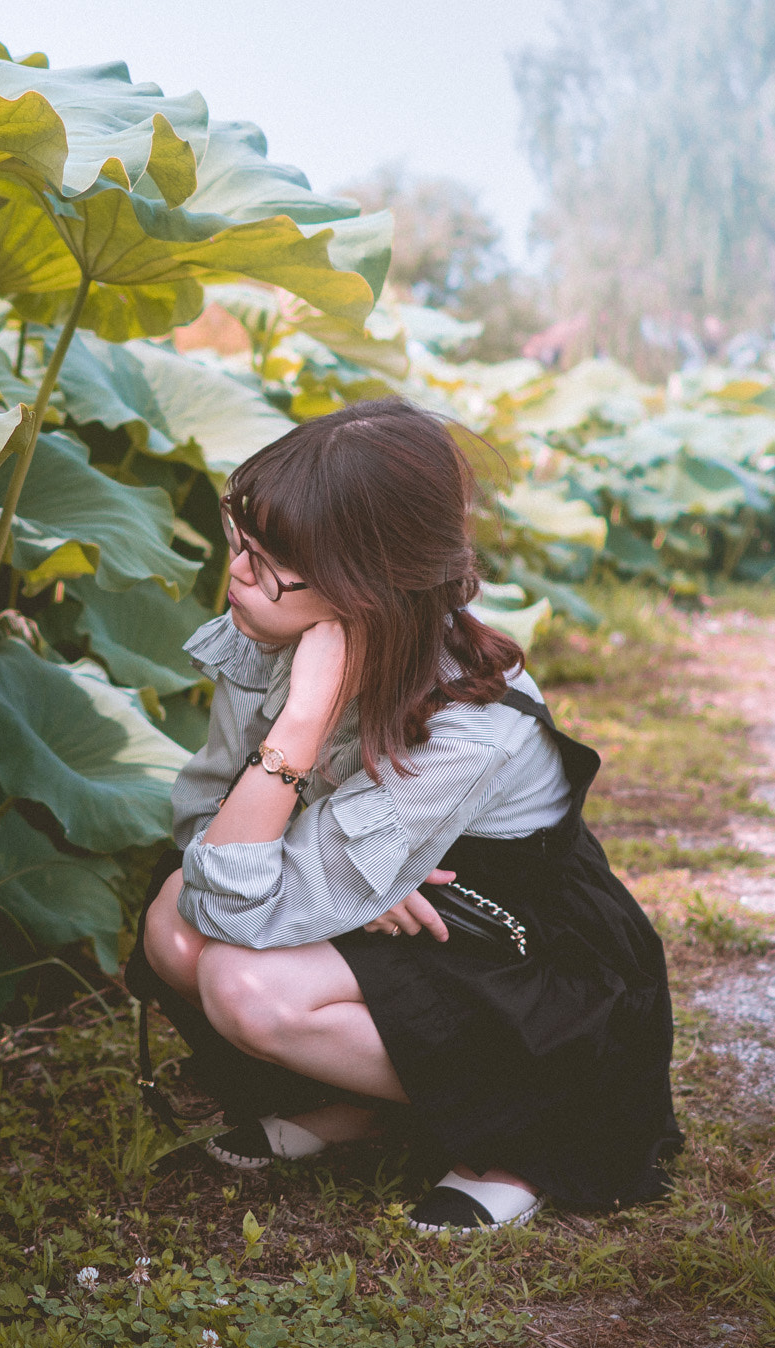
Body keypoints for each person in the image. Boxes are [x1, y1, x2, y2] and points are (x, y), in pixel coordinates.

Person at [127, 397, 681, 1235]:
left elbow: (236, 892)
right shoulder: (271, 625)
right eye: (243, 540)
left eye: (272, 561)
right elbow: (203, 832)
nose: (239, 572)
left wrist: (302, 724)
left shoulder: (469, 725)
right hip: (388, 893)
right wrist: (345, 870)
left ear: (365, 594)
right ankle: (388, 1107)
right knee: (173, 926)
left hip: (512, 938)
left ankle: (527, 1125)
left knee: (245, 985)